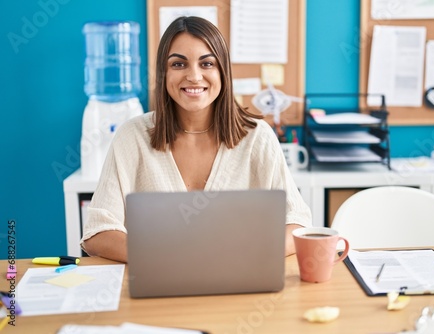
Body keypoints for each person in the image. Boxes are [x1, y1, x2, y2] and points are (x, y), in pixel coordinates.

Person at [81, 16, 312, 263]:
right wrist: (167, 258)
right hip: (159, 286)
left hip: (239, 286)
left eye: (207, 64)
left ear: (223, 71)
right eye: (179, 64)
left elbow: (297, 224)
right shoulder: (132, 136)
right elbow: (97, 233)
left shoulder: (258, 136)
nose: (194, 76)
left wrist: (245, 252)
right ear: (164, 73)